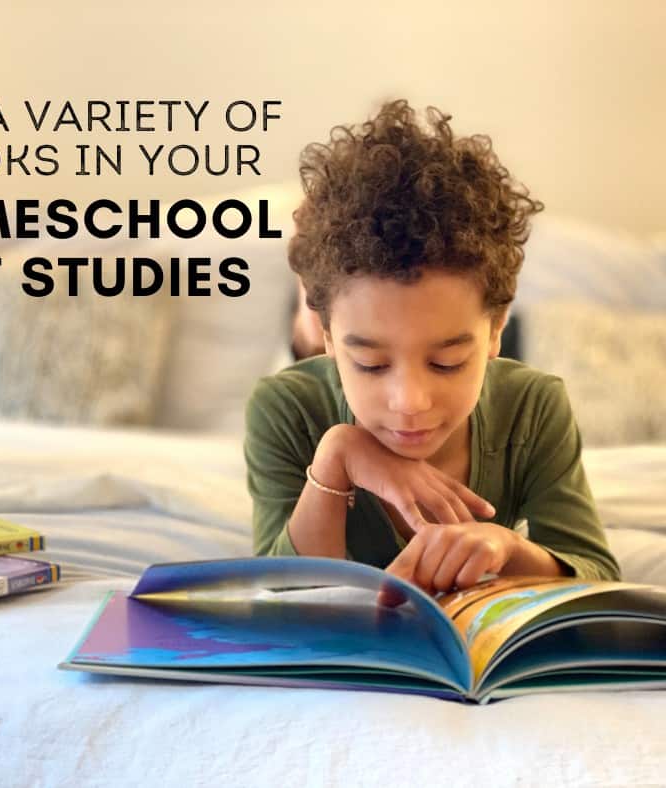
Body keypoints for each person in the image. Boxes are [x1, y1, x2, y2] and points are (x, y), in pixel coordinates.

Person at [245, 100, 620, 598]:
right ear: (331, 339)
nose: (410, 401)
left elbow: (594, 570)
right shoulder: (285, 410)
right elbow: (283, 593)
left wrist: (508, 549)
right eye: (371, 363)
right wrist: (337, 457)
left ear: (495, 330)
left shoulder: (533, 406)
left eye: (447, 362)